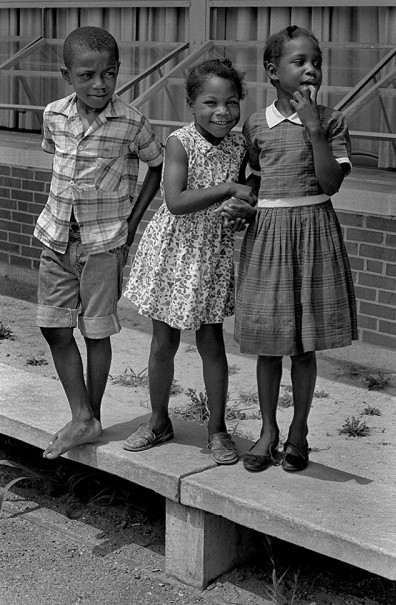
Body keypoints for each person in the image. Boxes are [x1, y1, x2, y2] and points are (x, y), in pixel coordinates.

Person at [34, 26, 163, 460]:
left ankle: (91, 417)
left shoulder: (132, 122)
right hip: (56, 236)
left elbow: (157, 166)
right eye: (87, 75)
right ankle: (82, 414)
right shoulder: (53, 114)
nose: (99, 84)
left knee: (96, 330)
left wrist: (133, 219)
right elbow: (59, 159)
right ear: (66, 75)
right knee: (53, 325)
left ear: (119, 72)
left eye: (109, 74)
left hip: (103, 244)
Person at [235, 25, 357, 473]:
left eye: (316, 62)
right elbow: (255, 178)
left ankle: (298, 432)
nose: (311, 69)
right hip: (268, 238)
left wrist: (313, 129)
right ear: (273, 71)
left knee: (304, 346)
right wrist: (243, 203)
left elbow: (330, 183)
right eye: (299, 61)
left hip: (313, 233)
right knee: (269, 343)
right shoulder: (254, 124)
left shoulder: (332, 119)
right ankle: (267, 430)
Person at [123, 58, 256, 464]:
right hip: (174, 251)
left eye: (231, 103)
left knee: (212, 343)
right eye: (210, 103)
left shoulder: (239, 144)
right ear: (191, 104)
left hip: (211, 254)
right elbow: (177, 202)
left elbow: (258, 177)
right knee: (164, 342)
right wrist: (230, 186)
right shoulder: (180, 142)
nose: (222, 112)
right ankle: (159, 420)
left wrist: (245, 194)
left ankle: (217, 430)